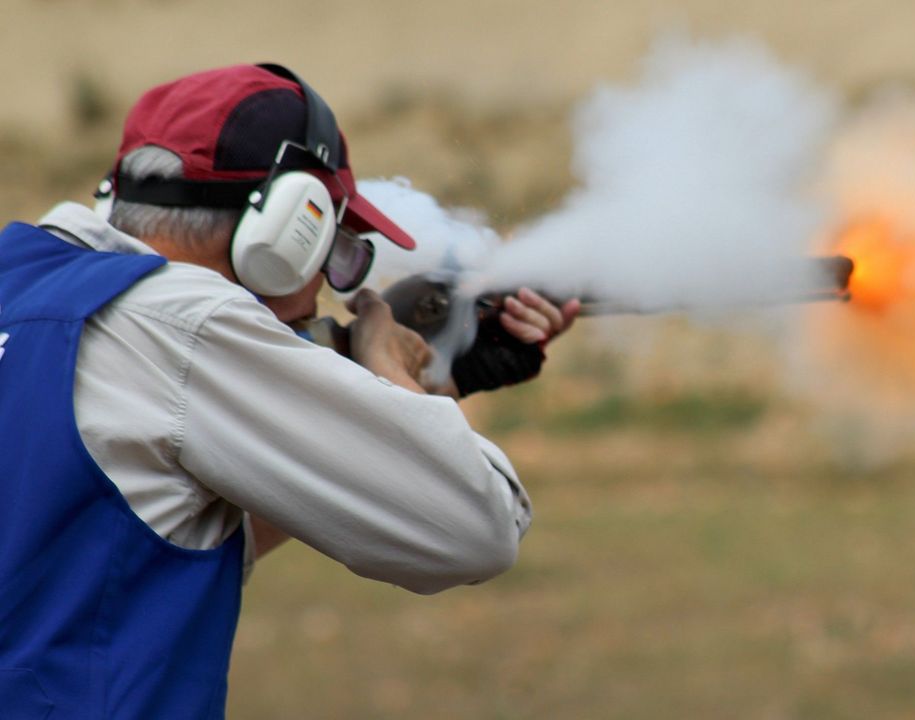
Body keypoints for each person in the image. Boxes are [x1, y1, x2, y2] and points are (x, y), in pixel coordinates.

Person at [0, 63, 577, 719]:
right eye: (334, 249)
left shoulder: (19, 285)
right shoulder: (187, 323)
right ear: (284, 235)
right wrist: (390, 375)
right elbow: (479, 528)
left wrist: (428, 376)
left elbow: (162, 534)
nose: (328, 286)